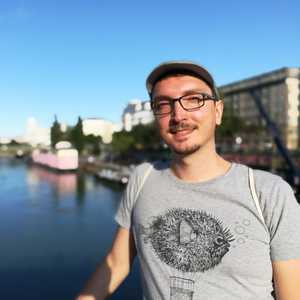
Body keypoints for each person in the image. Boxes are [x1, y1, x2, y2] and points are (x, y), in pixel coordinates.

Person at [77, 61, 300, 300]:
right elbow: (117, 263)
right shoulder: (142, 178)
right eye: (163, 104)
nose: (178, 115)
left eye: (194, 99)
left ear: (218, 111)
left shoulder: (269, 193)